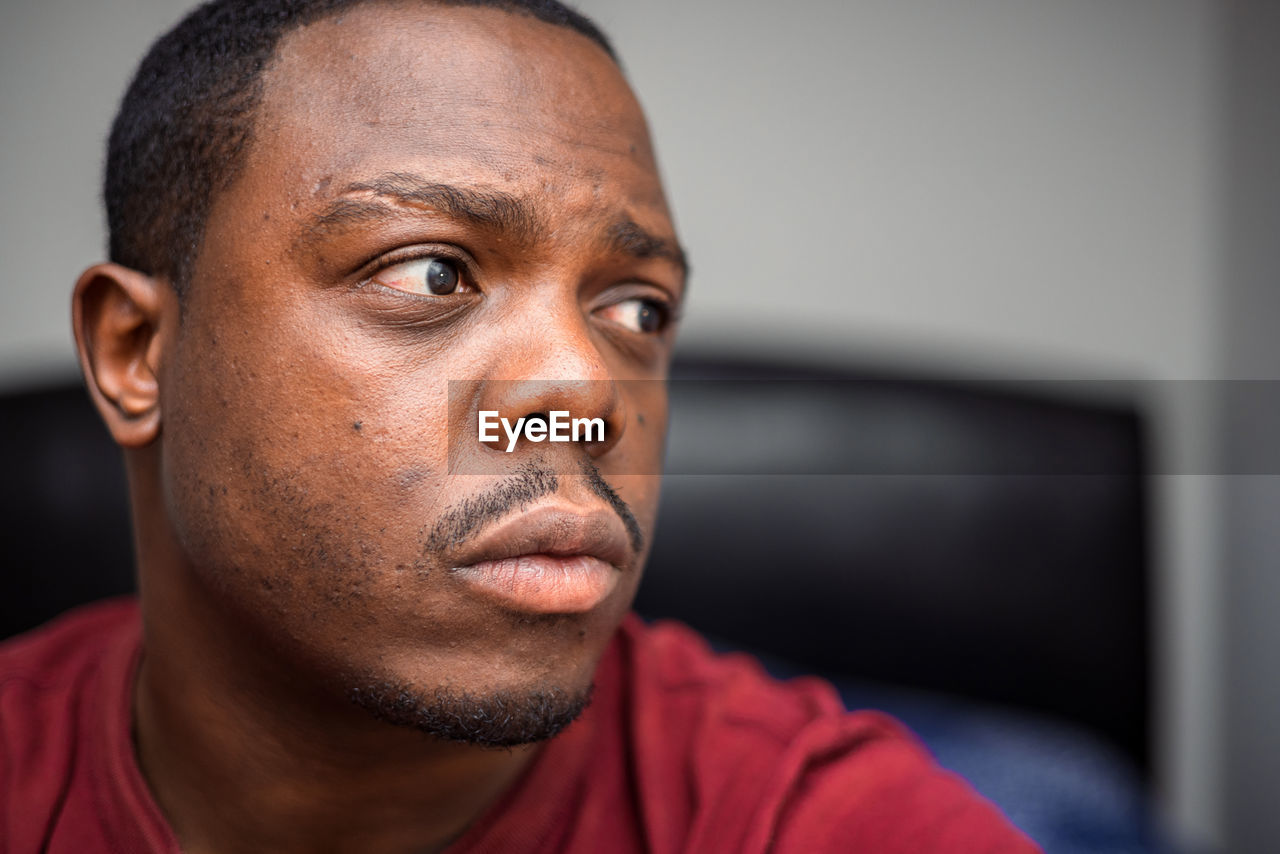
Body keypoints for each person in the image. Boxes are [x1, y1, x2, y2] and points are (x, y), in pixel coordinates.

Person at [0, 1, 1040, 851]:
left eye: (637, 308)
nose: (590, 392)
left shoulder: (818, 819)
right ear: (137, 353)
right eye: (431, 271)